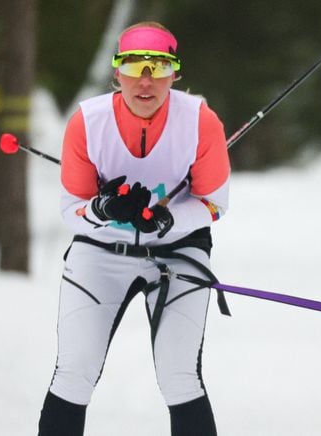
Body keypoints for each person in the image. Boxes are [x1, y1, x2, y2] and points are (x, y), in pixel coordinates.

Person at [37, 21, 231, 436]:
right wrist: (103, 208)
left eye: (158, 68)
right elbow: (71, 208)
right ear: (116, 73)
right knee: (73, 374)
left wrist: (168, 219)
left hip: (179, 253)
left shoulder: (201, 121)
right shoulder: (88, 122)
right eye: (134, 66)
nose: (146, 82)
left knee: (180, 377)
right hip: (101, 252)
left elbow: (215, 204)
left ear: (174, 73)